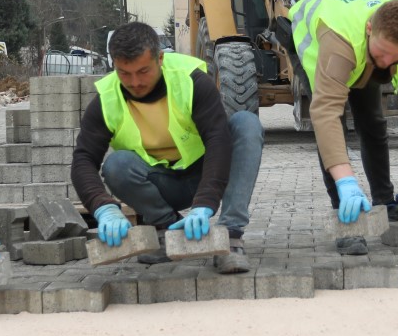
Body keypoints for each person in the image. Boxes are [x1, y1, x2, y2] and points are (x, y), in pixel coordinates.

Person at [71, 22, 262, 274]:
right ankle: (167, 231)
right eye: (124, 73)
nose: (135, 82)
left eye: (143, 71)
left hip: (207, 174)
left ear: (160, 58)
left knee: (246, 124)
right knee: (116, 165)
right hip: (161, 185)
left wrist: (205, 203)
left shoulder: (191, 80)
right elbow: (83, 159)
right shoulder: (106, 99)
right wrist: (103, 207)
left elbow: (217, 139)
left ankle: (231, 235)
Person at [288, 0, 398, 256]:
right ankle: (346, 212)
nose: (387, 62)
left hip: (359, 46)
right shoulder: (341, 39)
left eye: (397, 55)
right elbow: (325, 112)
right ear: (370, 29)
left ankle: (385, 201)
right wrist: (346, 181)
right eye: (384, 52)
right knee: (334, 125)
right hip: (318, 39)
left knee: (373, 122)